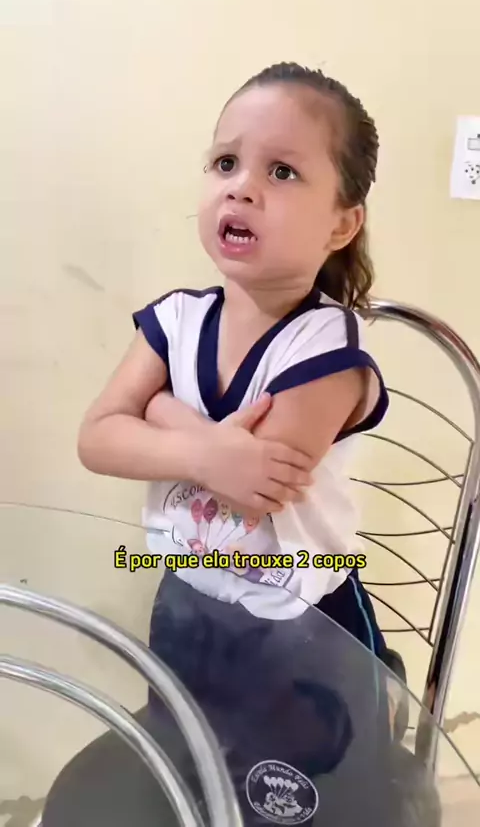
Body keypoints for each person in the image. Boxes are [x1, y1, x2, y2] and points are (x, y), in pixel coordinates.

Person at [71, 62, 398, 825]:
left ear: (341, 224)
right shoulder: (176, 319)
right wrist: (204, 451)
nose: (241, 188)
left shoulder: (328, 348)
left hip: (302, 626)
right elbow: (96, 438)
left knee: (293, 800)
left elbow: (258, 485)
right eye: (225, 163)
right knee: (190, 766)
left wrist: (158, 411)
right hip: (187, 598)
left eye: (281, 171)